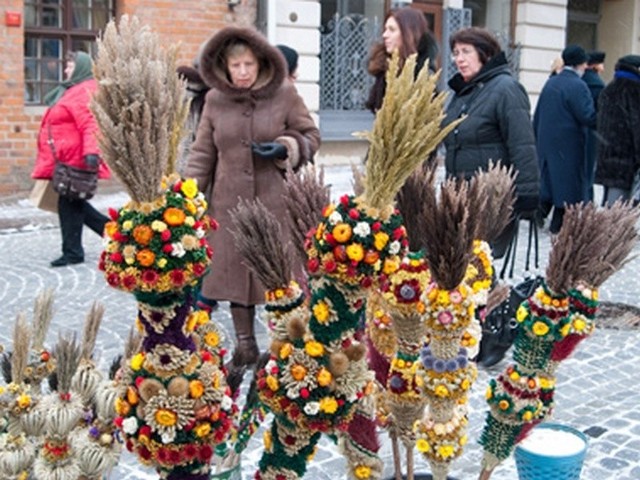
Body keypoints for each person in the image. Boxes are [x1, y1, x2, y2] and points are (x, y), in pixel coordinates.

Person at [186, 27, 320, 367]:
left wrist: (285, 147)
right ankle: (245, 346)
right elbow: (203, 153)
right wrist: (186, 197)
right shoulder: (215, 100)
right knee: (234, 275)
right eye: (236, 66)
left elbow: (309, 135)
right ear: (224, 68)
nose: (243, 72)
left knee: (279, 276)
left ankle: (285, 347)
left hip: (275, 203)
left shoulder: (285, 93)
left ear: (261, 63)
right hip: (229, 205)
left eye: (249, 64)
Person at [442, 27, 539, 257]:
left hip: (491, 199)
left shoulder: (506, 89)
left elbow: (522, 143)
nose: (459, 59)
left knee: (480, 266)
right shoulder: (462, 92)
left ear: (484, 54)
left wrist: (527, 194)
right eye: (456, 52)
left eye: (466, 51)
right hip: (460, 196)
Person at [31, 51, 110, 267]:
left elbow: (90, 123)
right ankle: (112, 235)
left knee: (70, 202)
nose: (66, 69)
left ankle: (74, 252)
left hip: (76, 159)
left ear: (82, 67)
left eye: (70, 65)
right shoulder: (72, 91)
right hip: (67, 159)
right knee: (74, 202)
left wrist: (91, 152)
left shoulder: (84, 91)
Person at [534, 45, 597, 234]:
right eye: (584, 63)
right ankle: (558, 224)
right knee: (568, 186)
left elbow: (538, 115)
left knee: (551, 180)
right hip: (569, 143)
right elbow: (587, 116)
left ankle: (541, 212)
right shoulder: (577, 85)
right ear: (580, 64)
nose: (585, 67)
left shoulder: (552, 82)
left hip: (548, 142)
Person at [365, 6, 438, 113]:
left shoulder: (423, 76)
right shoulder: (384, 71)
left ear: (408, 34)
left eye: (392, 30)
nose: (384, 35)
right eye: (385, 29)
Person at [595, 54, 640, 205]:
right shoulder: (634, 91)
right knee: (620, 207)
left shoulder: (608, 89)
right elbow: (637, 127)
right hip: (626, 160)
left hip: (607, 155)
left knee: (612, 203)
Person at [583, 51, 606, 201]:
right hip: (592, 133)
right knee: (588, 171)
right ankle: (587, 202)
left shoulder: (581, 81)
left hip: (579, 132)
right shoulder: (598, 85)